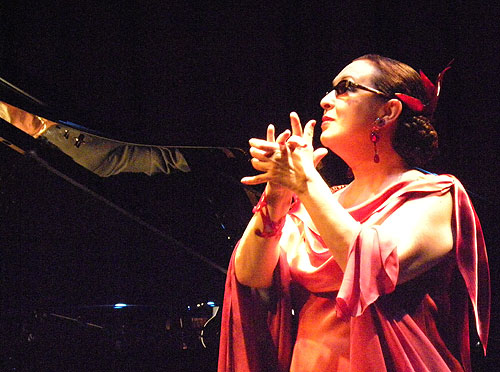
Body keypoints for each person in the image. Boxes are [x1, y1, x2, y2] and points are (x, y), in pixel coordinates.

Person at [217, 54, 490, 372]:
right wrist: (277, 195)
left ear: (388, 111)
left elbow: (369, 269)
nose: (325, 100)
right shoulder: (320, 204)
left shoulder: (436, 196)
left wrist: (305, 182)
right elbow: (250, 274)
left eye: (344, 88)